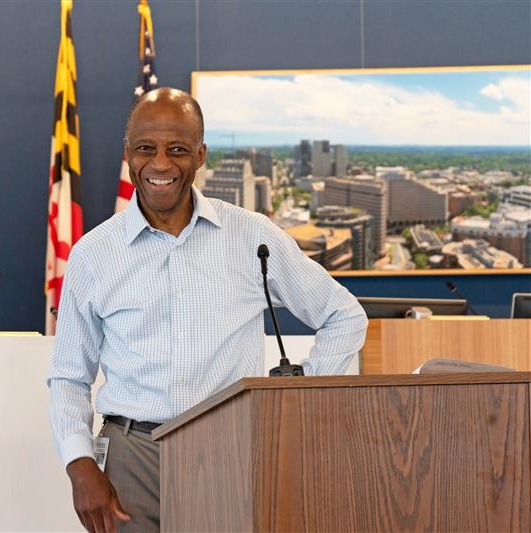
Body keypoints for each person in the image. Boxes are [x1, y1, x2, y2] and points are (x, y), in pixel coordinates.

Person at [48, 87, 368, 532]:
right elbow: (68, 376)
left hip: (232, 448)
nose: (160, 164)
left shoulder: (251, 237)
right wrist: (79, 463)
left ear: (200, 155)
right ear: (127, 154)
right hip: (129, 457)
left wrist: (298, 402)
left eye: (177, 150)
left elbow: (344, 315)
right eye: (146, 149)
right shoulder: (93, 254)